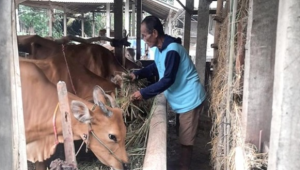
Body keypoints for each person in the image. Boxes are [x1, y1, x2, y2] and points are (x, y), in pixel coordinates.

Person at [129, 15, 206, 170]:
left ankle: (183, 167)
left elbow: (167, 79)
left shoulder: (172, 50)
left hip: (189, 99)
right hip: (181, 99)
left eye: (145, 35)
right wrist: (137, 74)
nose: (143, 39)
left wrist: (143, 93)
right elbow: (155, 67)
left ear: (155, 33)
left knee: (186, 141)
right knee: (182, 134)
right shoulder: (160, 49)